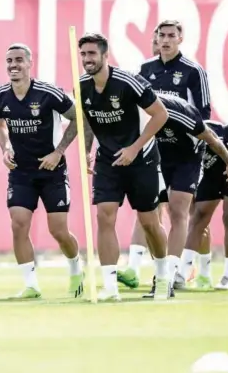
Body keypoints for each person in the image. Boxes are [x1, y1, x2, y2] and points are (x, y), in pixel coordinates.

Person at [78, 32, 170, 301]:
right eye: (83, 54)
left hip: (142, 158)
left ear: (106, 55)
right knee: (104, 216)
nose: (87, 59)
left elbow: (160, 115)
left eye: (92, 54)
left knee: (149, 221)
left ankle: (163, 277)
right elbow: (86, 121)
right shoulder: (80, 85)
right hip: (108, 161)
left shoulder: (129, 82)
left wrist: (134, 148)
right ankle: (110, 288)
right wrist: (85, 150)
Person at [123, 20, 212, 290]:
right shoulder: (145, 70)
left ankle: (176, 272)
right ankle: (146, 268)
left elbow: (203, 115)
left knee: (179, 209)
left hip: (186, 152)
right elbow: (137, 109)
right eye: (161, 35)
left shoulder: (194, 71)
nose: (166, 40)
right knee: (148, 210)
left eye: (171, 35)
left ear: (180, 39)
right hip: (156, 151)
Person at [0, 43, 83, 298]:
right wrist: (5, 148)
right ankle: (31, 284)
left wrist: (59, 152)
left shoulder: (48, 93)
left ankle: (76, 268)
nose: (14, 65)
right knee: (19, 224)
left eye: (19, 60)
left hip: (52, 170)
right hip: (21, 172)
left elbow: (79, 117)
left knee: (58, 230)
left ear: (30, 63)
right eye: (9, 60)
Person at [136, 95, 228, 297]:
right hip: (158, 158)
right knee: (149, 217)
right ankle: (161, 272)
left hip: (187, 160)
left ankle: (169, 279)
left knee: (178, 210)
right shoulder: (132, 112)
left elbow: (213, 140)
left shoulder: (181, 114)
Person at [180, 121, 228, 290]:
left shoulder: (203, 129)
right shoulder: (177, 142)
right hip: (211, 170)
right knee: (198, 217)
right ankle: (182, 273)